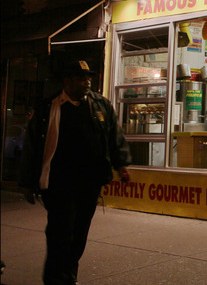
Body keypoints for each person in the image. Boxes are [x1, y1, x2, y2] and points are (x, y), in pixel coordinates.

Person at [19, 60, 132, 285]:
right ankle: (55, 279)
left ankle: (68, 276)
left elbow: (114, 137)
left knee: (79, 234)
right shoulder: (49, 108)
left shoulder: (100, 106)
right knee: (61, 233)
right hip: (59, 183)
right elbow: (32, 147)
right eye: (81, 78)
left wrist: (122, 165)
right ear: (68, 82)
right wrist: (28, 182)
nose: (87, 82)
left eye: (88, 77)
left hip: (89, 183)